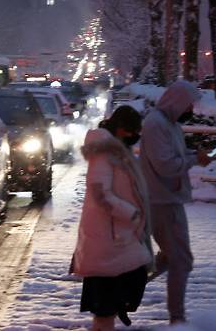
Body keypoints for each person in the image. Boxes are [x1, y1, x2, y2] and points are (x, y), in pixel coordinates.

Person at [72, 106, 153, 331]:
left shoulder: (116, 151)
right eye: (132, 131)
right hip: (108, 240)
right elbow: (100, 194)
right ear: (121, 129)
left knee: (109, 306)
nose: (135, 136)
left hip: (118, 238)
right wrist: (131, 212)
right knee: (105, 310)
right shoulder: (104, 153)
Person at [139, 80, 212, 324]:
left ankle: (132, 283)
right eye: (188, 104)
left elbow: (172, 158)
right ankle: (176, 319)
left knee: (176, 258)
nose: (191, 110)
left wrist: (193, 156)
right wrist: (194, 161)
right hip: (161, 200)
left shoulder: (167, 124)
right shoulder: (157, 124)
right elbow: (166, 165)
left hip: (167, 199)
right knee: (180, 260)